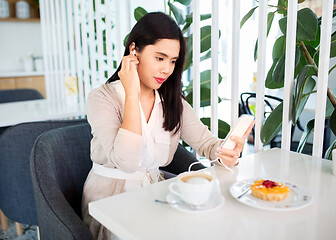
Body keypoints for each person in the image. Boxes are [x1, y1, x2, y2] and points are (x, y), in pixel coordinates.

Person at [82, 12, 254, 239]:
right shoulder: (102, 98)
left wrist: (225, 151)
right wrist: (132, 94)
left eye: (173, 61)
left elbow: (206, 142)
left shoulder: (172, 101)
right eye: (160, 58)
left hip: (155, 193)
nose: (167, 69)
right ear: (134, 51)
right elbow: (127, 161)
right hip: (110, 203)